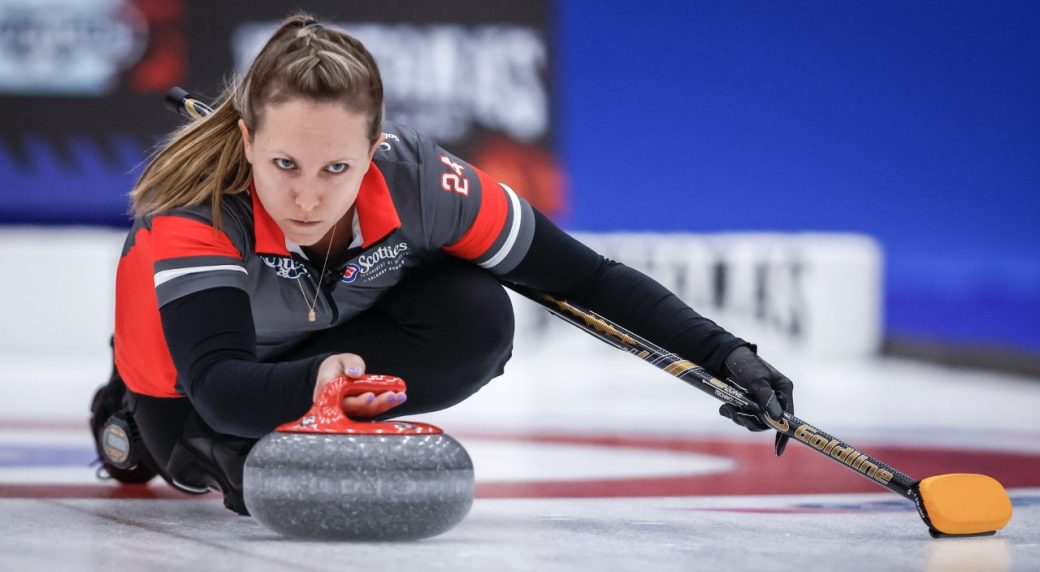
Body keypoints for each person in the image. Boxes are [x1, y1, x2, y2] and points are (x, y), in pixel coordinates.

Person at [90, 13, 795, 514]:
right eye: (283, 163)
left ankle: (304, 415)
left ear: (376, 149)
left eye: (337, 166)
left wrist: (726, 354)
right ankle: (126, 417)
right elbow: (216, 385)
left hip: (318, 355)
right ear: (245, 141)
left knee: (477, 314)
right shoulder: (196, 208)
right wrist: (316, 383)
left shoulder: (425, 181)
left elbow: (584, 278)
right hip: (187, 376)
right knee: (219, 461)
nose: (307, 196)